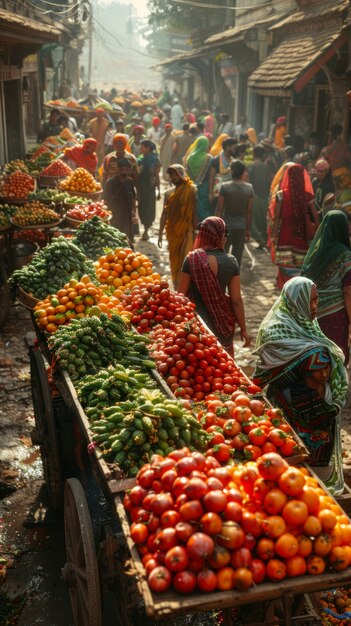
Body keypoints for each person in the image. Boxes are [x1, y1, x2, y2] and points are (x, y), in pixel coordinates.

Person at [253, 276, 348, 495]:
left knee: (312, 469)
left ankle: (313, 490)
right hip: (289, 405)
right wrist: (315, 357)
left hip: (316, 409)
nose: (314, 307)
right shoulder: (276, 330)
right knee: (290, 453)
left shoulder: (306, 325)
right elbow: (269, 372)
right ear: (296, 301)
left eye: (316, 300)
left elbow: (321, 373)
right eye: (309, 301)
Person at [178, 216, 250, 356]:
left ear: (203, 235)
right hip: (223, 326)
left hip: (196, 327)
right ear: (220, 237)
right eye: (225, 235)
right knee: (224, 368)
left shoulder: (192, 259)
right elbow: (236, 301)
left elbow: (180, 296)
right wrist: (244, 329)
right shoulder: (231, 261)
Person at [301, 210, 351, 364]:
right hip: (336, 313)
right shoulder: (344, 254)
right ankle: (335, 387)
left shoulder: (314, 252)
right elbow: (348, 291)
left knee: (318, 355)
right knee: (336, 355)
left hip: (313, 312)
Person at [269, 163, 319, 289]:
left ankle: (284, 286)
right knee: (300, 264)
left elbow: (277, 218)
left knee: (285, 264)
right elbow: (315, 216)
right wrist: (318, 232)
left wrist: (274, 235)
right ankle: (299, 287)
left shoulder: (281, 195)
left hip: (284, 236)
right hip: (301, 237)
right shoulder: (308, 196)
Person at [158, 164, 198, 289]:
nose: (174, 177)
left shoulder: (191, 190)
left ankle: (187, 286)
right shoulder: (168, 193)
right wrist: (160, 233)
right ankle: (177, 285)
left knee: (187, 257)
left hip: (187, 230)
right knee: (174, 259)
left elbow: (194, 212)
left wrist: (197, 232)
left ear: (182, 175)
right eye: (172, 175)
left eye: (176, 174)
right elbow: (164, 214)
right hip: (172, 232)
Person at [216, 160, 253, 268]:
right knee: (237, 256)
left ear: (232, 171)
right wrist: (248, 229)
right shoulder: (249, 188)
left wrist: (216, 226)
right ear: (243, 172)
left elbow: (219, 208)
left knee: (223, 254)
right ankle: (234, 278)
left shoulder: (224, 187)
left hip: (226, 227)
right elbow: (249, 211)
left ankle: (223, 275)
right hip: (241, 226)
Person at [103, 157, 136, 243]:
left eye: (127, 169)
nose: (124, 171)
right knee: (115, 238)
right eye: (122, 169)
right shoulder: (110, 182)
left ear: (129, 170)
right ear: (118, 169)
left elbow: (133, 198)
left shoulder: (130, 182)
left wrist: (134, 212)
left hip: (127, 215)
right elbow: (104, 200)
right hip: (114, 215)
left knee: (127, 238)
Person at [185, 136, 213, 221]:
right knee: (204, 208)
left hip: (191, 186)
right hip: (205, 187)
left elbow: (187, 174)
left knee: (192, 208)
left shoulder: (189, 158)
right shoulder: (209, 158)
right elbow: (211, 175)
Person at [137, 139, 161, 241]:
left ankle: (146, 230)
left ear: (147, 148)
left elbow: (156, 175)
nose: (140, 148)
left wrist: (159, 190)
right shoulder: (140, 159)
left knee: (148, 208)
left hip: (150, 187)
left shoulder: (155, 160)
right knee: (142, 207)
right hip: (141, 186)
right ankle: (145, 228)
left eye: (142, 146)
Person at [248, 145, 271, 249]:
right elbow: (269, 181)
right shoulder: (266, 167)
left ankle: (259, 238)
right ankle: (264, 239)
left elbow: (249, 181)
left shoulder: (251, 166)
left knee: (252, 220)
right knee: (262, 219)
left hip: (254, 195)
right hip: (264, 195)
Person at [208, 137, 237, 210]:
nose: (235, 149)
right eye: (234, 147)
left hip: (230, 193)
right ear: (228, 147)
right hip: (218, 193)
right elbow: (211, 177)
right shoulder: (216, 160)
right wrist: (211, 193)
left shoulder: (233, 160)